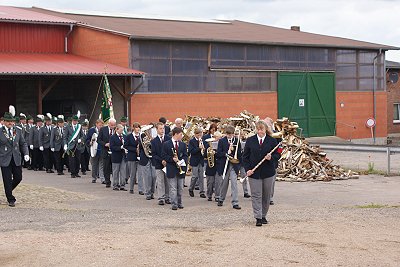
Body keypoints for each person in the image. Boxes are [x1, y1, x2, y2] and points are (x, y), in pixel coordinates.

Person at [242, 120, 280, 226]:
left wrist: (271, 157)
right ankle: (258, 217)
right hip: (254, 173)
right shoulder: (250, 140)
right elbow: (245, 157)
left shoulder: (272, 141)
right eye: (258, 129)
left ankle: (263, 215)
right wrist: (248, 169)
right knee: (256, 195)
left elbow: (278, 155)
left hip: (268, 172)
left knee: (266, 195)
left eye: (261, 129)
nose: (260, 132)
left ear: (265, 129)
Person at [0, 106, 29, 207]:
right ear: (3, 122)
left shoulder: (18, 130)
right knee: (7, 179)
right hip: (4, 159)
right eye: (8, 121)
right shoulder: (0, 132)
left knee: (18, 177)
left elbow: (23, 143)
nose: (10, 123)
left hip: (16, 157)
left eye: (11, 121)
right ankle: (10, 198)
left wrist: (26, 154)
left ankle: (8, 190)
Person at [216, 125, 242, 210]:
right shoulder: (222, 141)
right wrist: (227, 152)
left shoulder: (237, 141)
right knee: (224, 183)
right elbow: (218, 153)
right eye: (228, 134)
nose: (229, 136)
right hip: (225, 165)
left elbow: (239, 154)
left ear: (233, 134)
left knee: (234, 184)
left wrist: (234, 152)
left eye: (231, 134)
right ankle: (221, 198)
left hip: (234, 165)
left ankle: (235, 202)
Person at [162, 127, 188, 210]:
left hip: (180, 168)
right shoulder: (166, 144)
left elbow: (185, 155)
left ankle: (180, 202)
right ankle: (174, 204)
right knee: (173, 188)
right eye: (180, 135)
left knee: (180, 188)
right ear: (176, 134)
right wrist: (172, 159)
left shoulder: (183, 144)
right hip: (171, 168)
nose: (181, 136)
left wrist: (181, 160)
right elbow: (164, 155)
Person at [151, 122, 171, 205]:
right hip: (159, 164)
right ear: (157, 129)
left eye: (163, 128)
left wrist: (166, 160)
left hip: (168, 163)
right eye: (160, 128)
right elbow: (154, 154)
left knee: (168, 181)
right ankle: (161, 198)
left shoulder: (168, 138)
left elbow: (170, 151)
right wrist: (161, 160)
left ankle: (167, 197)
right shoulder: (154, 141)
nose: (162, 130)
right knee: (160, 181)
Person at [63, 112, 84, 178]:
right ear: (72, 120)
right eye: (74, 121)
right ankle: (72, 173)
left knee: (78, 160)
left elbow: (82, 135)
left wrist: (80, 139)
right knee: (71, 160)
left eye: (76, 121)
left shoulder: (79, 127)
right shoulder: (67, 127)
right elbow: (65, 137)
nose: (75, 122)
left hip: (77, 146)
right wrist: (65, 144)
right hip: (71, 146)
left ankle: (77, 172)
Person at [97, 118, 116, 187]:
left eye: (114, 125)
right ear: (108, 124)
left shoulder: (116, 129)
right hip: (105, 151)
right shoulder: (103, 129)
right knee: (106, 167)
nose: (113, 127)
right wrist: (105, 144)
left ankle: (115, 182)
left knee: (114, 167)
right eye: (111, 125)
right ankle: (107, 181)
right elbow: (98, 140)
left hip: (114, 152)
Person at [188, 127, 206, 198]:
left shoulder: (203, 141)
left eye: (201, 134)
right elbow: (191, 151)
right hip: (195, 160)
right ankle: (191, 188)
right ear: (195, 134)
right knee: (194, 176)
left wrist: (204, 150)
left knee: (201, 177)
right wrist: (199, 148)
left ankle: (202, 192)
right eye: (198, 134)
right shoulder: (192, 141)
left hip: (201, 161)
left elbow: (204, 151)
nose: (200, 136)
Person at [204, 131, 222, 201]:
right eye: (218, 138)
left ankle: (217, 196)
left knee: (218, 182)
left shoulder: (221, 144)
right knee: (210, 182)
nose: (219, 139)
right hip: (210, 166)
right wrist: (209, 152)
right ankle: (209, 195)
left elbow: (223, 154)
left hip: (218, 165)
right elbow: (205, 155)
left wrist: (216, 153)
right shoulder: (208, 145)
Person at [110, 124, 128, 191]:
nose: (122, 131)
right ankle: (115, 185)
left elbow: (126, 145)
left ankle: (122, 185)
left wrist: (126, 149)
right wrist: (120, 147)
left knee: (123, 171)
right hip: (116, 156)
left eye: (123, 130)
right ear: (117, 129)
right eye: (121, 130)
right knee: (115, 171)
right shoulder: (112, 137)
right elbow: (112, 147)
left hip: (123, 156)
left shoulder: (124, 137)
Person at [124, 122, 141, 194]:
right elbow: (126, 146)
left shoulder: (141, 136)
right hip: (132, 157)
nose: (138, 129)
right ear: (133, 128)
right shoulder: (129, 136)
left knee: (140, 174)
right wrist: (135, 149)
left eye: (139, 127)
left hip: (140, 157)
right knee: (132, 173)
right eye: (136, 127)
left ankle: (141, 189)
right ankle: (131, 188)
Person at [87, 119, 104, 183]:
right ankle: (94, 177)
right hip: (94, 150)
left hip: (101, 149)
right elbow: (87, 139)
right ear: (96, 124)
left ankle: (102, 178)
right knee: (94, 165)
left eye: (102, 125)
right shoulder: (91, 130)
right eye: (100, 125)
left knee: (102, 165)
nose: (101, 126)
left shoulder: (103, 130)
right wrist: (90, 142)